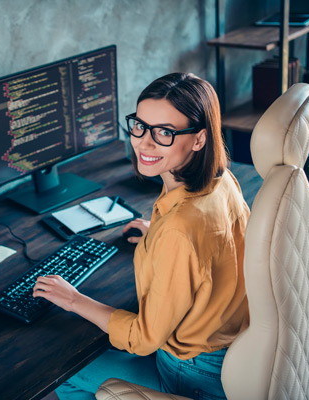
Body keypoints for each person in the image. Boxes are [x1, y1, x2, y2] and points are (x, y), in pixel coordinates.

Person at [33, 72, 250, 400]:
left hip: (192, 372)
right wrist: (156, 235)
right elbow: (214, 247)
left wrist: (73, 299)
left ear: (199, 139)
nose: (144, 143)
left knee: (61, 373)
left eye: (165, 132)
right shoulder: (221, 180)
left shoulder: (180, 231)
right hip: (230, 348)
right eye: (140, 125)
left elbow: (143, 338)